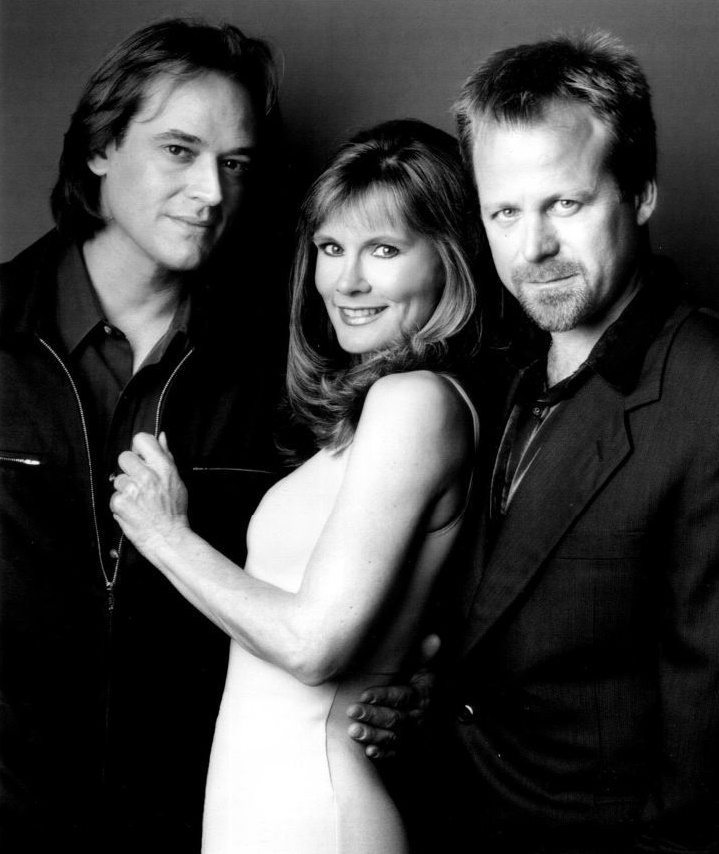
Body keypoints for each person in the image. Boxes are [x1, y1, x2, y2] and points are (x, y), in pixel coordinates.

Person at [110, 118, 481, 854]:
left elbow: (313, 647)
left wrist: (163, 534)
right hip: (269, 813)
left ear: (449, 258)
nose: (346, 282)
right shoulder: (374, 416)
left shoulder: (413, 401)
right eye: (331, 248)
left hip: (315, 812)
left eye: (383, 249)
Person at [422, 31, 719, 854]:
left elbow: (707, 739)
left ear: (641, 193)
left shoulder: (705, 391)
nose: (533, 248)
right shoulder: (497, 378)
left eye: (565, 204)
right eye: (504, 213)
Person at [0, 18, 285, 854]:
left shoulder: (279, 364)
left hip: (193, 815)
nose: (211, 193)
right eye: (178, 151)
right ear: (100, 147)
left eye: (235, 163)